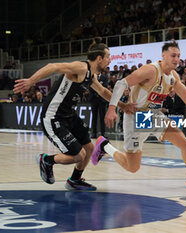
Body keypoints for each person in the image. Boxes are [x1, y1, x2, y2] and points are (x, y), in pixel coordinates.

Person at [13, 41, 134, 191]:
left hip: (69, 115)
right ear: (99, 58)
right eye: (108, 56)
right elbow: (52, 67)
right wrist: (31, 81)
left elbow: (103, 92)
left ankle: (75, 180)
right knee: (78, 155)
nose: (110, 60)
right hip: (53, 117)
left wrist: (122, 106)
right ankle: (46, 160)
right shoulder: (81, 67)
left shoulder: (91, 75)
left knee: (89, 148)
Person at [91, 41, 186, 188]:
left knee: (185, 144)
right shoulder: (151, 70)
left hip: (154, 116)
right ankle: (104, 146)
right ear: (163, 56)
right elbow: (120, 84)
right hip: (136, 116)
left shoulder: (173, 76)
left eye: (179, 56)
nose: (177, 59)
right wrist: (112, 109)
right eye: (173, 55)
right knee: (132, 167)